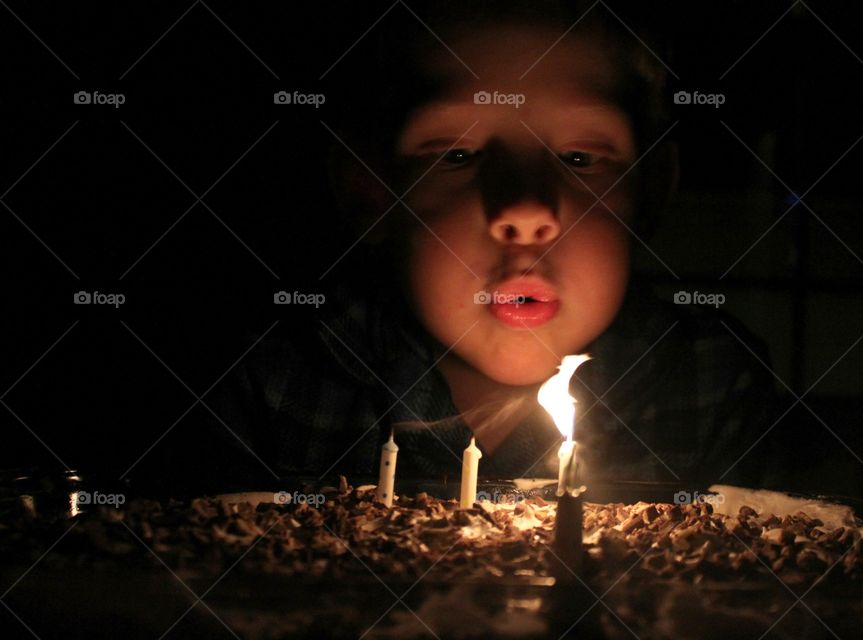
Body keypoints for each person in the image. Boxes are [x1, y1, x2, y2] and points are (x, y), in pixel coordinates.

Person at [138, 1, 781, 496]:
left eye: (580, 158)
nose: (525, 210)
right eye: (458, 154)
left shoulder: (710, 382)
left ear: (652, 191)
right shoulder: (273, 378)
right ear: (370, 191)